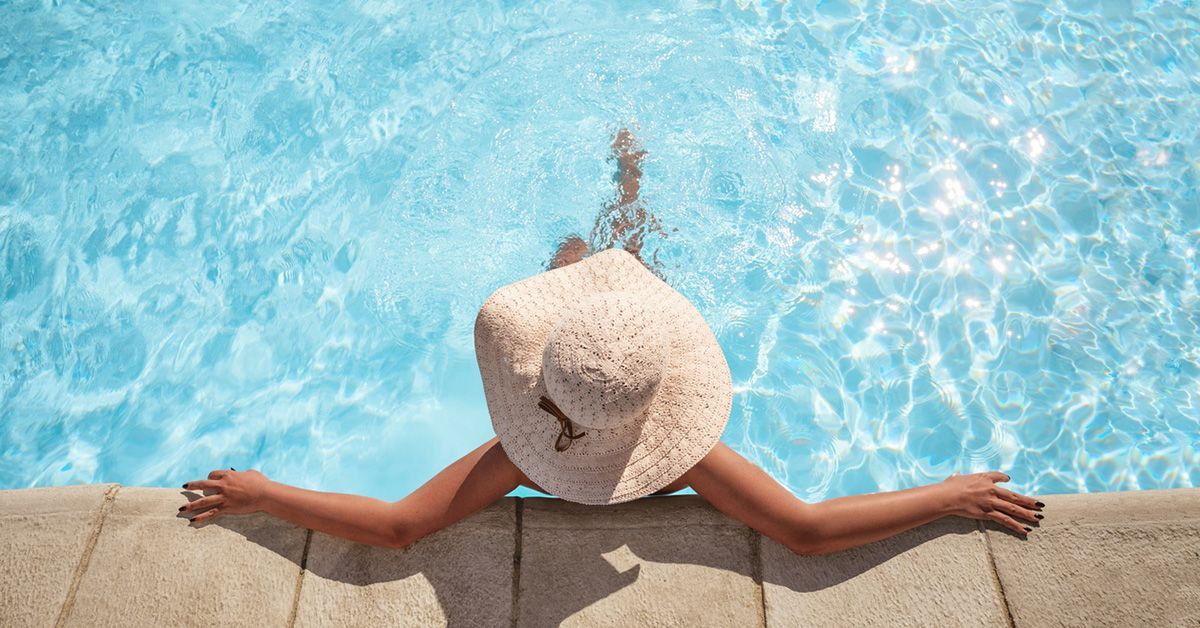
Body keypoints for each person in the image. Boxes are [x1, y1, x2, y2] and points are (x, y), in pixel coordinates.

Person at [180, 128, 1044, 554]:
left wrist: (266, 493)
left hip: (596, 349)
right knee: (619, 263)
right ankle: (627, 185)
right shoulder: (688, 455)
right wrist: (947, 494)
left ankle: (617, 199)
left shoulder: (522, 456)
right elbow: (806, 532)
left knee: (580, 262)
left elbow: (403, 527)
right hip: (616, 352)